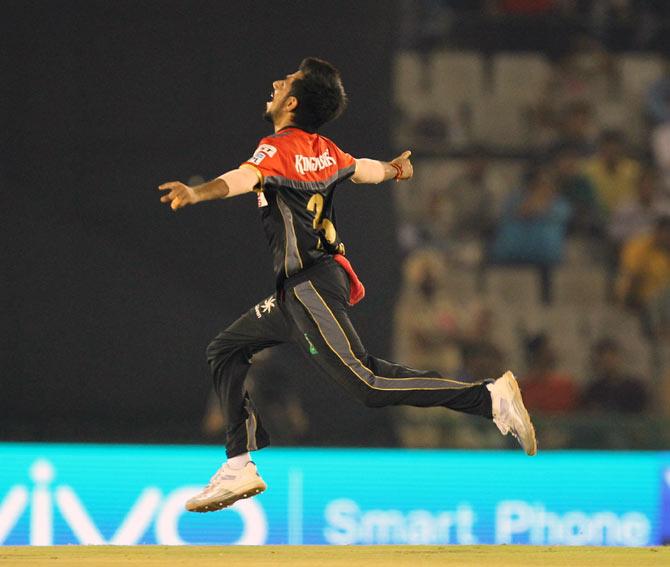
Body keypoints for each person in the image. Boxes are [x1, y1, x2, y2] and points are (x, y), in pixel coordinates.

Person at [158, 57, 537, 514]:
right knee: (226, 349)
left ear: (292, 103)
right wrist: (396, 171)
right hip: (304, 288)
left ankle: (489, 398)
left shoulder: (276, 148)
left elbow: (244, 178)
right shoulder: (326, 150)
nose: (276, 82)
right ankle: (239, 465)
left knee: (367, 383)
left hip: (308, 287)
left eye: (286, 81)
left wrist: (199, 192)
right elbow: (363, 169)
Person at [580, 338, 649, 413]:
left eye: (612, 356)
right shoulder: (594, 390)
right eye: (603, 357)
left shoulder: (635, 388)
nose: (608, 361)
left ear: (620, 358)